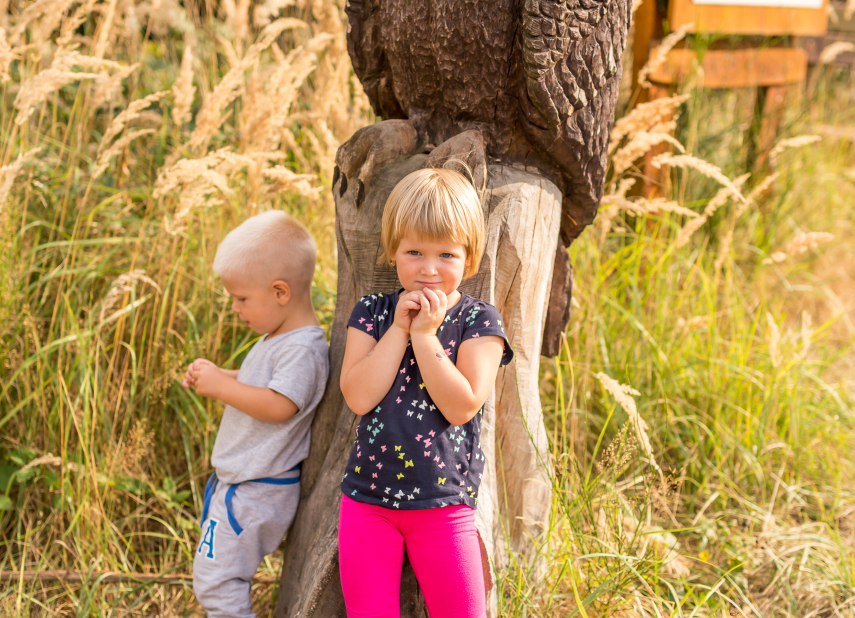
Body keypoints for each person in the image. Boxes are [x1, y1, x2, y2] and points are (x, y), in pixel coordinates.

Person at [338, 166, 514, 618]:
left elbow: (461, 405)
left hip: (443, 502)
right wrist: (400, 329)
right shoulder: (374, 312)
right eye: (414, 251)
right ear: (392, 251)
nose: (429, 269)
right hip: (367, 502)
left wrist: (426, 336)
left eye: (447, 255)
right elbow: (358, 396)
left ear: (469, 258)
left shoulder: (480, 321)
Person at [182, 210, 329, 618]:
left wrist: (222, 386)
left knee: (217, 581)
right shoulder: (280, 339)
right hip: (248, 488)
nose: (235, 308)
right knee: (217, 577)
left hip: (256, 492)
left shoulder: (301, 349)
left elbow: (279, 405)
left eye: (241, 298)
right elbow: (261, 383)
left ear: (281, 291)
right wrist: (217, 376)